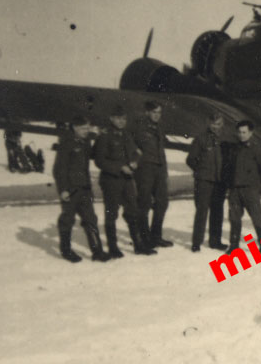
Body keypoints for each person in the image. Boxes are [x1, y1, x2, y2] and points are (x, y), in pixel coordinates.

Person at [94, 104, 156, 257]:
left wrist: (135, 161)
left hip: (127, 179)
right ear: (111, 119)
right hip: (111, 180)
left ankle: (138, 245)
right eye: (118, 119)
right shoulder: (104, 136)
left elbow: (135, 152)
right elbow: (99, 160)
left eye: (123, 119)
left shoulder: (126, 135)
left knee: (132, 211)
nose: (121, 122)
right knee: (111, 213)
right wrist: (120, 167)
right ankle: (113, 247)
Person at [52, 115, 109, 263]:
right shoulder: (66, 143)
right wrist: (63, 189)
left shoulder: (85, 142)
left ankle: (97, 251)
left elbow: (93, 155)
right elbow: (59, 169)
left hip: (84, 188)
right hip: (70, 189)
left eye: (88, 128)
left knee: (91, 219)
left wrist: (100, 139)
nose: (86, 131)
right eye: (84, 128)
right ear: (75, 128)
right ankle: (66, 251)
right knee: (67, 220)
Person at [225, 120, 261, 252]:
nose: (241, 135)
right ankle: (234, 245)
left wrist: (255, 184)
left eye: (244, 132)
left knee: (256, 217)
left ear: (250, 133)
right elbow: (228, 168)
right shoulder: (233, 149)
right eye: (239, 132)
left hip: (250, 190)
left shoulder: (257, 149)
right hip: (235, 189)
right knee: (234, 218)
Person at [132, 100, 172, 249]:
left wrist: (165, 171)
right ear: (147, 112)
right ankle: (144, 237)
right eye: (154, 112)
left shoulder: (159, 128)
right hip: (145, 169)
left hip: (159, 169)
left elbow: (161, 151)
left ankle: (156, 236)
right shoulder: (139, 127)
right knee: (144, 203)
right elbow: (130, 146)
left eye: (159, 112)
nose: (157, 115)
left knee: (162, 202)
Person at [186, 113, 228, 252]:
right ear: (209, 124)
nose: (216, 127)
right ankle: (196, 242)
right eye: (214, 124)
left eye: (219, 124)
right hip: (204, 181)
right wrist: (201, 171)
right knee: (202, 211)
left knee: (218, 211)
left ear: (222, 125)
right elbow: (190, 159)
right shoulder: (200, 139)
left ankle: (215, 241)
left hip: (219, 182)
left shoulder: (225, 140)